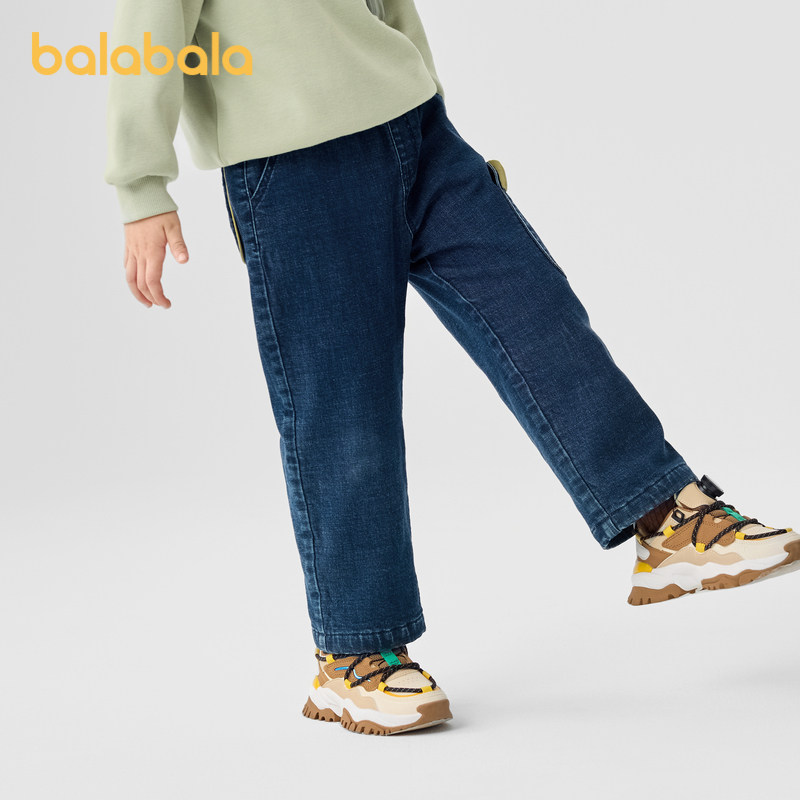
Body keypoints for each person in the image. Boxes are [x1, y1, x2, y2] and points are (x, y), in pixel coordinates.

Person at [104, 0, 799, 736]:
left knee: (534, 306)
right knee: (345, 404)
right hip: (295, 166)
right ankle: (354, 654)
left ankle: (665, 517)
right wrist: (140, 187)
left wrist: (428, 95)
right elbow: (146, 28)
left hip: (416, 130)